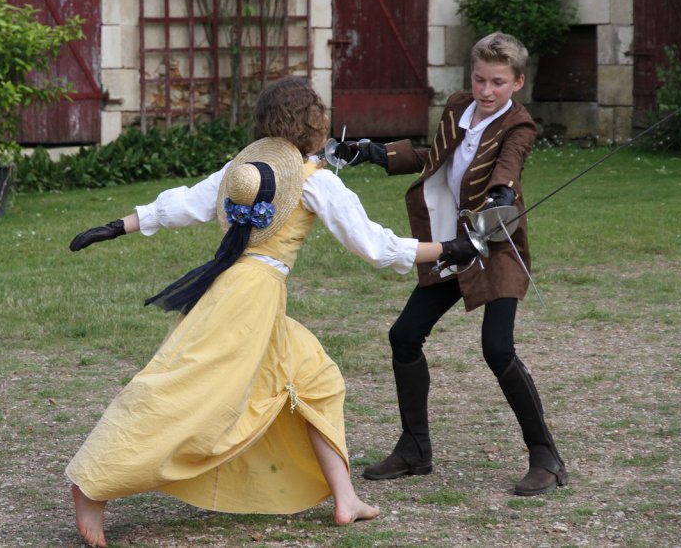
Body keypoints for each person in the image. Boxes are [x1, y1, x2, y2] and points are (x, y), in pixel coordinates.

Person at [65, 77, 479, 547]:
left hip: (240, 292)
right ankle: (93, 483)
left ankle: (346, 498)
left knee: (317, 381)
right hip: (247, 300)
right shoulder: (311, 181)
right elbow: (374, 246)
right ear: (314, 123)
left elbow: (187, 202)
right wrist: (449, 248)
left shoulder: (247, 169)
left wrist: (119, 225)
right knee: (183, 390)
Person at [332, 32, 567, 496]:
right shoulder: (459, 106)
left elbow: (507, 171)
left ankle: (546, 457)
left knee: (497, 349)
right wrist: (375, 153)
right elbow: (434, 158)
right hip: (451, 243)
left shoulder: (519, 126)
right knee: (404, 335)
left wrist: (499, 200)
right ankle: (415, 449)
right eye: (479, 79)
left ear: (517, 82)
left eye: (497, 82)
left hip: (494, 246)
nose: (486, 91)